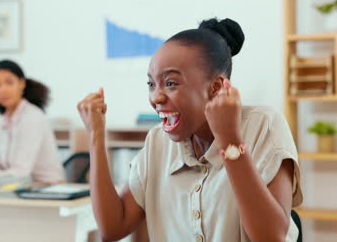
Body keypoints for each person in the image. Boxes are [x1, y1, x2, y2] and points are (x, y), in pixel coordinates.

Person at [77, 18, 303, 241]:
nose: (156, 97)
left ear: (215, 88)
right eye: (151, 84)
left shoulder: (263, 125)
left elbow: (271, 238)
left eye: (171, 83)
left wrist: (230, 142)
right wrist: (95, 135)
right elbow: (112, 228)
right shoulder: (157, 140)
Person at [0, 60, 66, 186]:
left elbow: (21, 172)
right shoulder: (4, 121)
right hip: (23, 186)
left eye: (9, 82)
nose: (3, 89)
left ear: (21, 84)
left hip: (46, 187)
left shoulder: (32, 116)